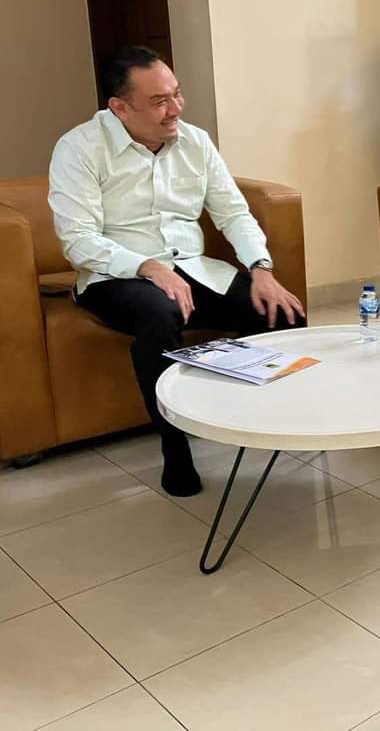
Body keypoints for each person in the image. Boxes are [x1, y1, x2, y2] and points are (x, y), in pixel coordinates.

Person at [48, 46, 305, 498]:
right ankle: (175, 446)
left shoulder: (195, 141)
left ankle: (255, 420)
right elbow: (78, 239)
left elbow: (233, 213)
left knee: (283, 313)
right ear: (119, 108)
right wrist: (146, 266)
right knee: (159, 313)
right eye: (159, 101)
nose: (175, 109)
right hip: (114, 276)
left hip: (193, 269)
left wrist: (261, 268)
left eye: (177, 94)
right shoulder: (79, 148)